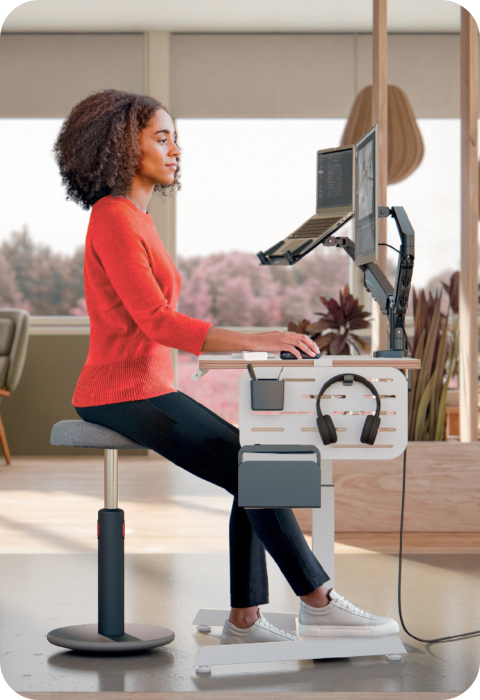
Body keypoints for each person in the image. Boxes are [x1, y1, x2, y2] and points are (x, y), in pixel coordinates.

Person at [54, 89, 399, 644]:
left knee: (252, 467)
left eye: (176, 138)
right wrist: (258, 340)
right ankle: (319, 601)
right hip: (118, 391)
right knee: (254, 467)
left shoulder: (134, 219)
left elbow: (155, 322)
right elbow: (157, 322)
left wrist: (246, 346)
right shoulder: (114, 219)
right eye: (160, 138)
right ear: (122, 146)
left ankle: (246, 619)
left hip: (143, 385)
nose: (175, 150)